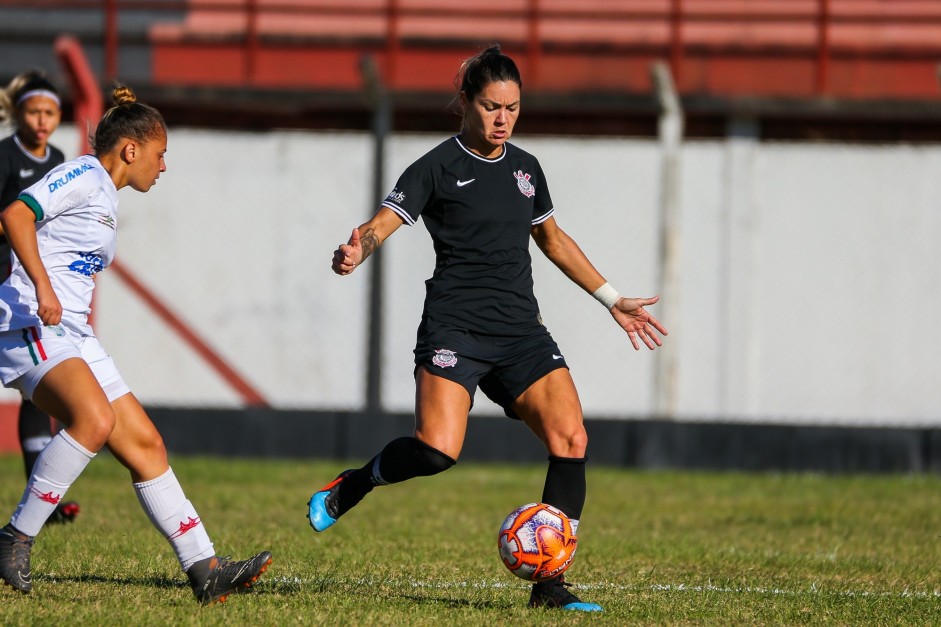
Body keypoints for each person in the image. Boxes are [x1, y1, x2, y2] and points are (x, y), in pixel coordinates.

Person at [307, 44, 667, 612]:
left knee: (571, 440)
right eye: (492, 107)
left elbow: (552, 239)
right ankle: (356, 483)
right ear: (466, 103)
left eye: (514, 109)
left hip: (520, 332)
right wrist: (359, 249)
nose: (503, 120)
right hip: (455, 329)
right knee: (436, 451)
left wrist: (612, 299)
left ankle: (549, 586)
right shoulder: (435, 167)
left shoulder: (527, 169)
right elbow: (380, 223)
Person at [0, 84, 272, 604]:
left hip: (73, 332)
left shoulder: (104, 192)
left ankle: (205, 568)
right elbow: (16, 215)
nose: (163, 166)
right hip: (31, 323)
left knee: (145, 444)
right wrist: (42, 285)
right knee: (94, 421)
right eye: (161, 153)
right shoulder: (82, 174)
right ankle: (14, 537)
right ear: (131, 149)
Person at [0, 70, 79, 525]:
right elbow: (15, 218)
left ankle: (41, 501)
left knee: (38, 395)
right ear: (19, 113)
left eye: (50, 112)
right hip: (6, 285)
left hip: (35, 284)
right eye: (34, 111)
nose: (42, 119)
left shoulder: (62, 160)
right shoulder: (4, 157)